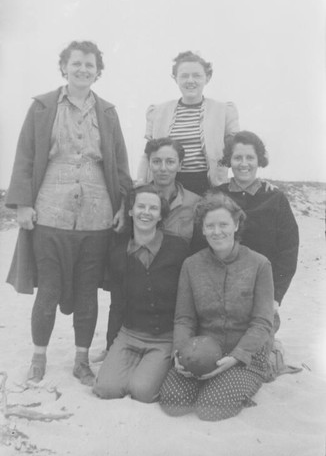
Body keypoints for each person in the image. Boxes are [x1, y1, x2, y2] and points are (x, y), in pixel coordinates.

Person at [5, 40, 131, 385]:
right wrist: (24, 204)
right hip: (50, 212)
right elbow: (26, 156)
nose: (83, 70)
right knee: (48, 289)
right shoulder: (43, 106)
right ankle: (38, 357)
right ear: (64, 67)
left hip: (97, 215)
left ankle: (80, 361)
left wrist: (122, 205)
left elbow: (119, 162)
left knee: (87, 290)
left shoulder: (107, 112)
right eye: (76, 64)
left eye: (90, 65)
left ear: (98, 71)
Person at [159, 192, 274, 421]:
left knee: (210, 409)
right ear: (202, 229)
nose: (216, 231)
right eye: (210, 225)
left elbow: (262, 323)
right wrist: (180, 354)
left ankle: (260, 369)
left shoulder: (260, 264)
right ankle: (212, 382)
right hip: (204, 352)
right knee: (173, 402)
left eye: (223, 224)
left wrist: (236, 357)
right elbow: (184, 319)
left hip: (245, 354)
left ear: (236, 224)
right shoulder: (191, 265)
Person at [93, 185, 189, 403]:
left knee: (142, 392)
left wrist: (180, 344)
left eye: (153, 208)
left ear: (161, 215)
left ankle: (149, 369)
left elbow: (187, 303)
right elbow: (116, 304)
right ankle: (130, 363)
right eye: (141, 206)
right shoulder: (118, 252)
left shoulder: (178, 247)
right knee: (106, 389)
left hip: (165, 337)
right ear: (130, 211)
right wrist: (110, 346)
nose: (146, 212)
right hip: (129, 333)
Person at [216, 131, 299, 330]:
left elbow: (288, 251)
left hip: (261, 296)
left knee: (254, 357)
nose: (244, 163)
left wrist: (275, 298)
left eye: (250, 157)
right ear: (229, 160)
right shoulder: (217, 195)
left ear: (259, 160)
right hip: (220, 297)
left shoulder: (275, 199)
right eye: (237, 157)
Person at [137, 51, 239, 195]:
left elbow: (236, 152)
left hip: (209, 186)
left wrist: (249, 181)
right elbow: (146, 154)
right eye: (184, 76)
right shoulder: (158, 112)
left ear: (207, 78)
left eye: (197, 75)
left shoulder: (224, 111)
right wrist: (140, 184)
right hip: (166, 185)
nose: (190, 80)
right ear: (175, 79)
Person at [144, 137, 200, 244]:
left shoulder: (195, 203)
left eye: (170, 162)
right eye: (156, 161)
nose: (163, 168)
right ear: (149, 164)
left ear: (179, 165)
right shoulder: (137, 199)